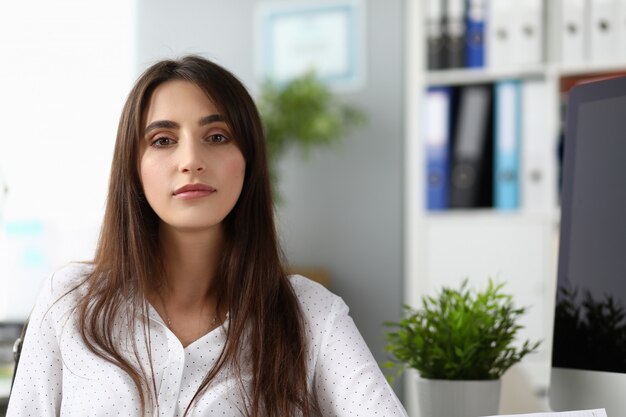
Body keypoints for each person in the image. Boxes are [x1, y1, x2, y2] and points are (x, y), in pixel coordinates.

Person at [6, 55, 408, 417]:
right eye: (163, 141)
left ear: (248, 161)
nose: (191, 161)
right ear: (134, 168)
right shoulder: (68, 301)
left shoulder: (311, 313)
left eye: (217, 137)